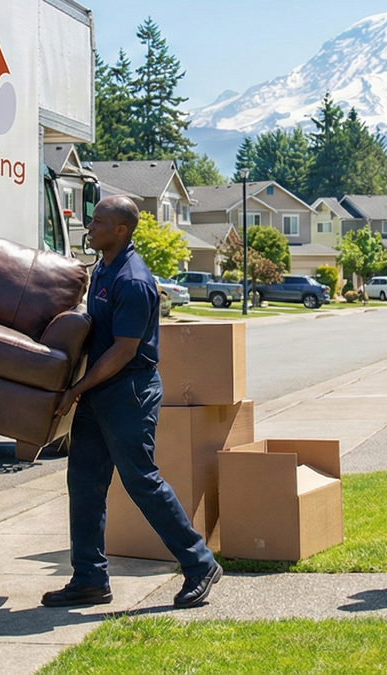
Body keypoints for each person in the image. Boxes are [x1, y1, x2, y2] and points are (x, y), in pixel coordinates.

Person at [42, 195, 222, 610]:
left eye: (99, 221)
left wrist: (75, 389)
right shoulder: (105, 267)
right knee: (84, 482)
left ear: (121, 230)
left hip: (128, 393)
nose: (90, 226)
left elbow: (123, 350)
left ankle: (199, 563)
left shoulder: (133, 280)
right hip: (98, 391)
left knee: (141, 480)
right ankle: (89, 578)